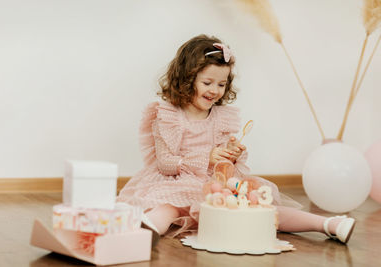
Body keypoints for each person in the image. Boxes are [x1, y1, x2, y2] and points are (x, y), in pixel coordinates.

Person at [117, 34, 355, 244]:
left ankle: (328, 225)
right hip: (177, 182)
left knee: (263, 208)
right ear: (187, 79)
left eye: (221, 84)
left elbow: (224, 160)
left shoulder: (221, 117)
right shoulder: (169, 116)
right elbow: (165, 164)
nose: (215, 90)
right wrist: (205, 157)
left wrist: (232, 153)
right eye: (207, 82)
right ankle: (140, 232)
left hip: (218, 182)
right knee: (168, 208)